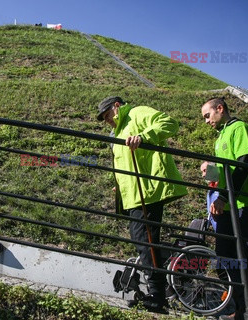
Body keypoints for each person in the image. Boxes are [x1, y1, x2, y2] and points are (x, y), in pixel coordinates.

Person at [97, 96, 188, 311]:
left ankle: (158, 295)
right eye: (103, 119)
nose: (106, 121)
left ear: (116, 107)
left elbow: (170, 123)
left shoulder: (137, 113)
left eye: (107, 115)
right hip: (134, 194)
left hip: (147, 191)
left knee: (145, 240)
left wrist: (143, 136)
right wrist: (119, 186)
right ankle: (160, 290)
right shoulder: (118, 130)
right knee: (144, 241)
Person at [200, 97, 248, 320]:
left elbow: (243, 164)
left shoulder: (239, 128)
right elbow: (228, 172)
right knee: (226, 257)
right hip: (230, 204)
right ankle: (243, 309)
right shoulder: (221, 136)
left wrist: (224, 197)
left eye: (207, 115)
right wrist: (210, 169)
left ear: (220, 108)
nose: (206, 121)